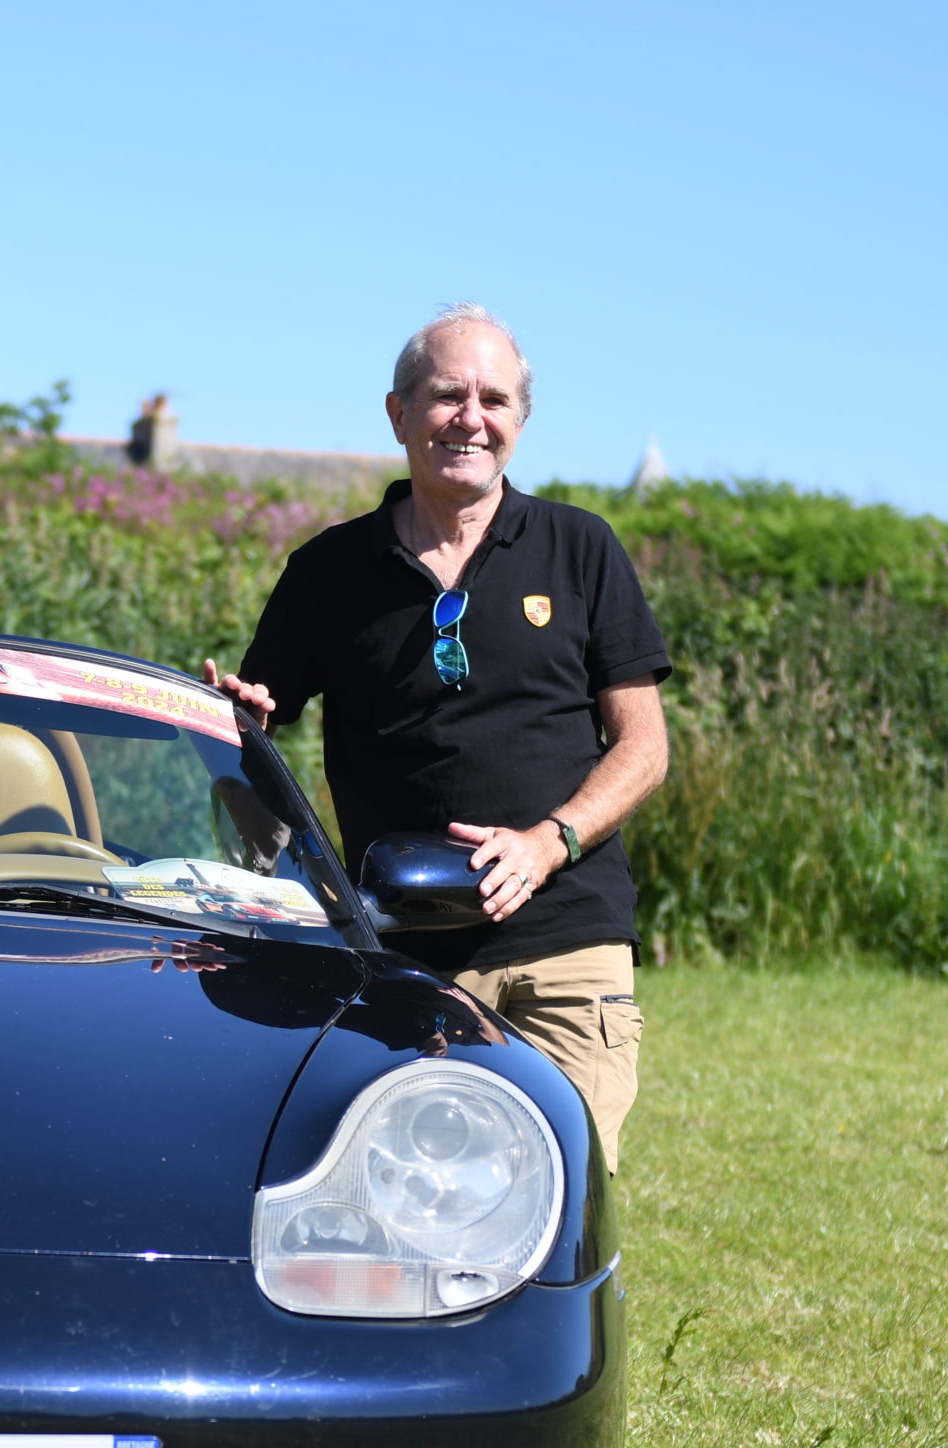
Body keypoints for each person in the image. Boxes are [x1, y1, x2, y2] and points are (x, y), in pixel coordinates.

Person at [204, 304, 669, 1170]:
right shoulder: (328, 572)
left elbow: (644, 748)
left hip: (569, 947)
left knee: (558, 1187)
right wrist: (240, 724)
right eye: (448, 395)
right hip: (402, 958)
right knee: (407, 1190)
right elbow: (254, 761)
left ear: (521, 421)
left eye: (494, 399)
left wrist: (548, 842)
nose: (470, 418)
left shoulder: (580, 548)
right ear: (399, 414)